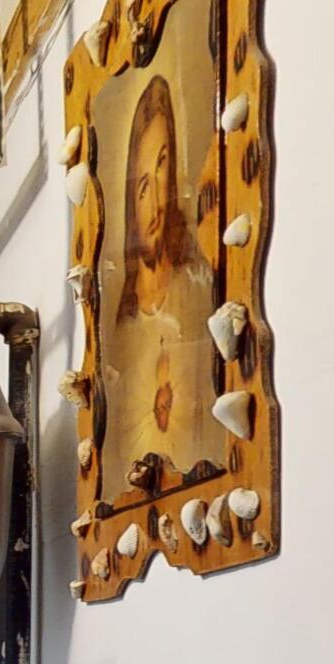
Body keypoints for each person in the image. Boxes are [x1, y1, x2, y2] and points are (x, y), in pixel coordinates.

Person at [103, 71, 227, 479]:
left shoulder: (198, 287)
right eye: (142, 187)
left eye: (162, 165)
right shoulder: (122, 328)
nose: (156, 199)